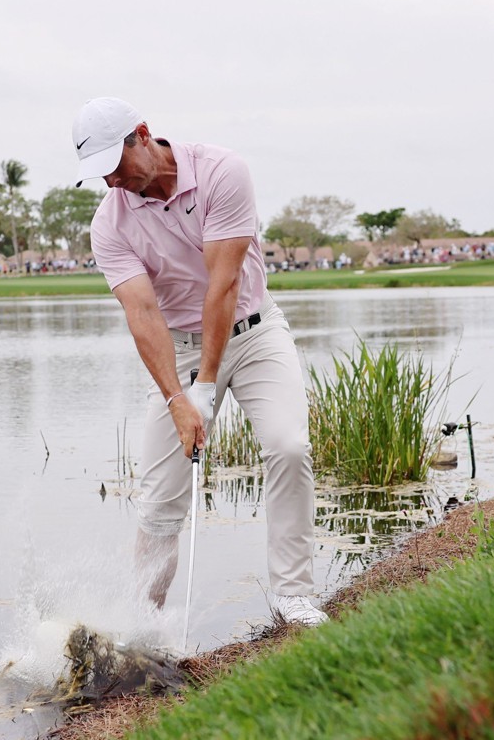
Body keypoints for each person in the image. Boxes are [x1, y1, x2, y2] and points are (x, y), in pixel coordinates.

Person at [71, 97, 328, 627]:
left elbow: (224, 284)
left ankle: (293, 597)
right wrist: (177, 398)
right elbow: (143, 314)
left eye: (115, 166)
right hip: (180, 347)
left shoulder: (222, 171)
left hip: (255, 330)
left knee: (288, 446)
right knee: (161, 499)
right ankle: (141, 623)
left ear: (141, 134)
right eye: (100, 175)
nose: (112, 181)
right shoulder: (109, 224)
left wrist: (206, 387)